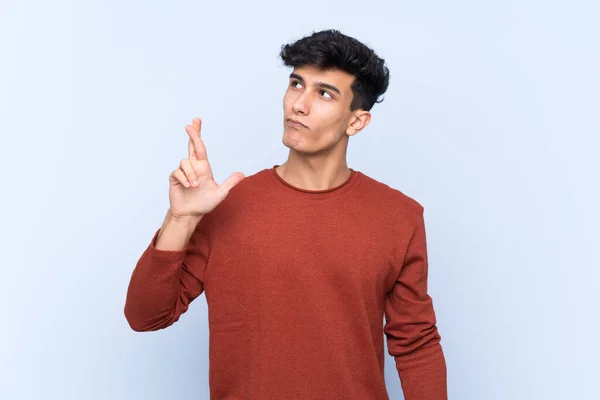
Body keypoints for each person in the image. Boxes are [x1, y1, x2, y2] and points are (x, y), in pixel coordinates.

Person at [124, 29, 447, 400]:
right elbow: (145, 316)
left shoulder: (399, 217)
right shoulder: (227, 204)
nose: (299, 104)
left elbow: (416, 344)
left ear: (356, 122)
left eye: (324, 93)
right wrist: (180, 219)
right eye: (296, 84)